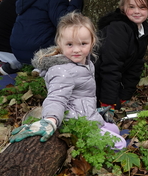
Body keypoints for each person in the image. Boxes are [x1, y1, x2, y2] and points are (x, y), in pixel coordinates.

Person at [9, 12, 126, 150]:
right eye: (70, 44)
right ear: (60, 43)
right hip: (75, 123)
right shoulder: (63, 71)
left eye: (83, 43)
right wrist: (50, 120)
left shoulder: (87, 63)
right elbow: (56, 98)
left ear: (92, 42)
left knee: (114, 129)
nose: (77, 50)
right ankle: (83, 149)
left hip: (87, 114)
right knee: (120, 144)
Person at [95, 0, 148, 120]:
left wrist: (124, 97)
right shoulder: (117, 29)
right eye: (131, 7)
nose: (137, 11)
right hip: (93, 80)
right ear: (123, 9)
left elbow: (135, 66)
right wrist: (108, 102)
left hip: (109, 82)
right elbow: (110, 66)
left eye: (142, 7)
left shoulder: (142, 30)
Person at [9, 0, 83, 66]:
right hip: (38, 51)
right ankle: (40, 68)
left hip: (17, 49)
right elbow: (65, 21)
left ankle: (21, 66)